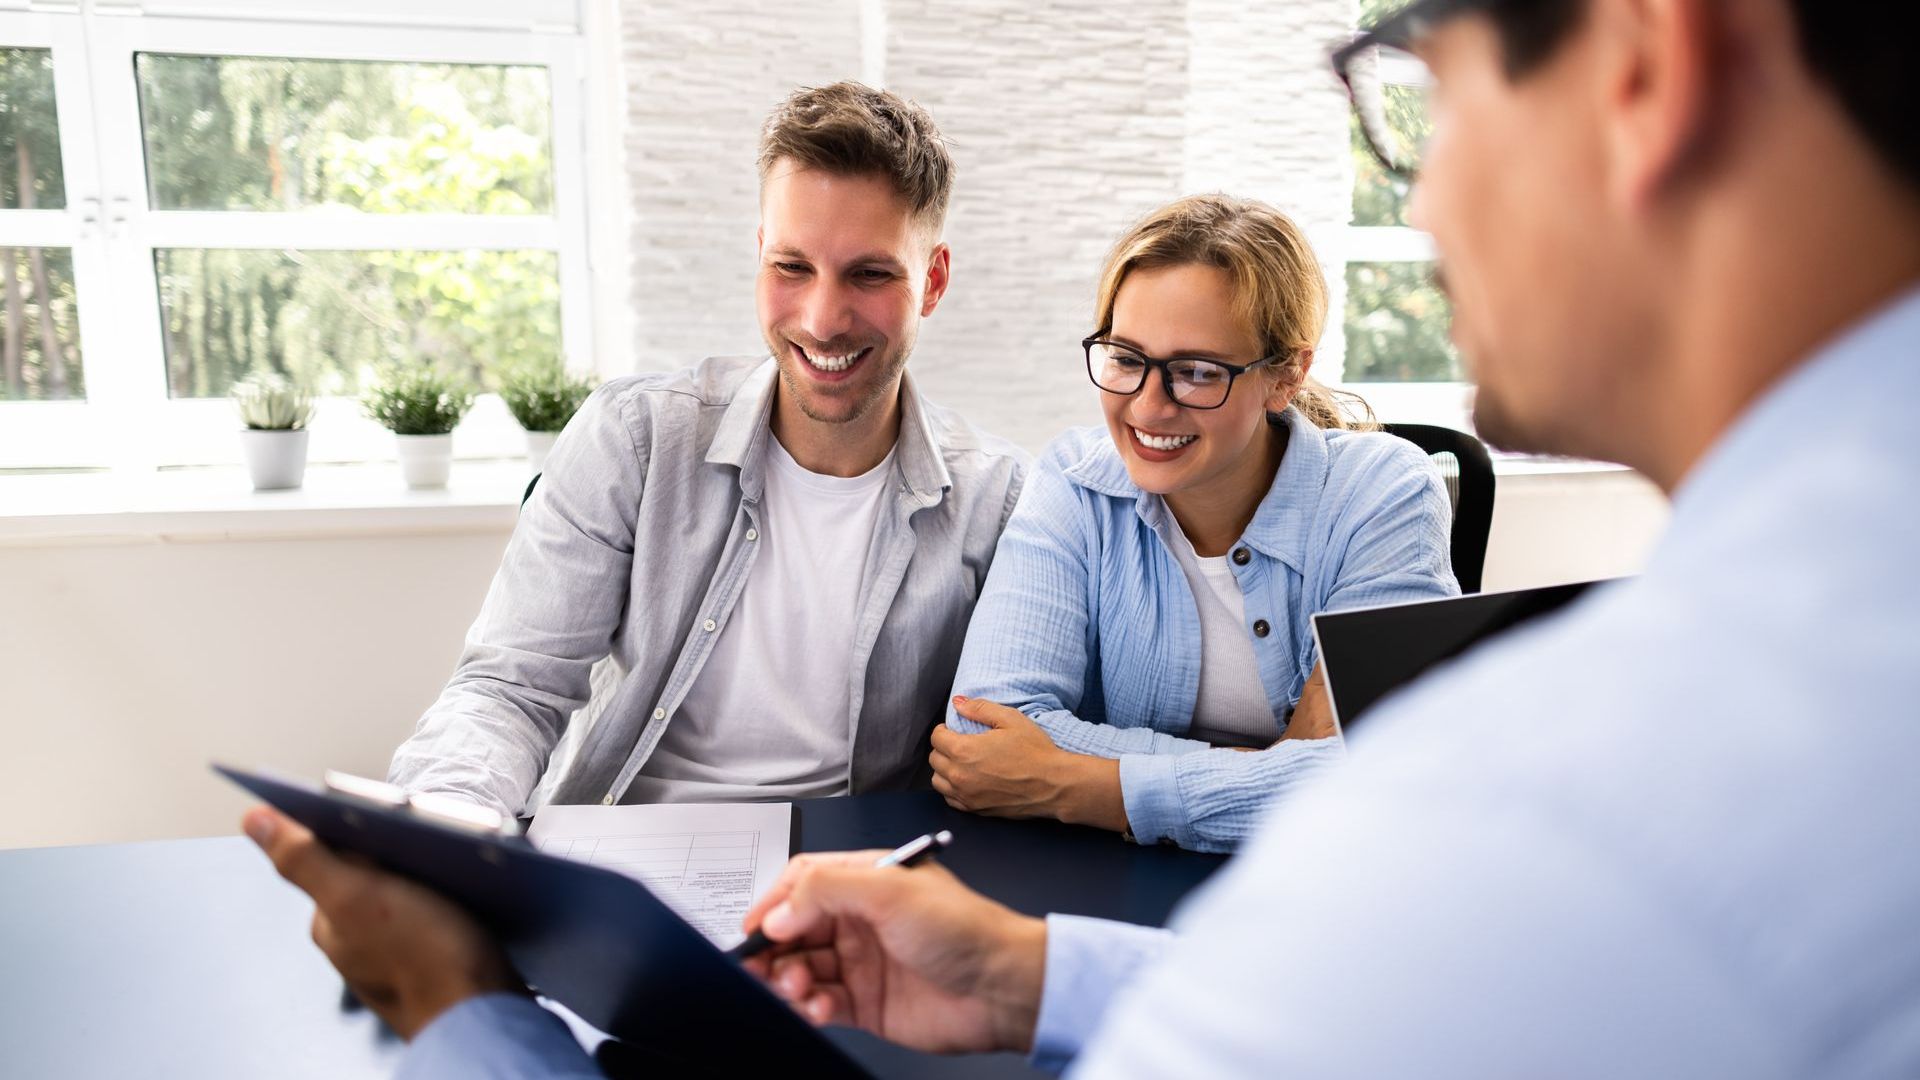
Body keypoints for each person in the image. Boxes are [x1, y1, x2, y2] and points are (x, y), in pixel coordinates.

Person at [243, 0, 1920, 1074]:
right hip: (676, 898)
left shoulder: (1530, 807)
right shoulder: (667, 440)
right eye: (1125, 361)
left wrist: (454, 1009)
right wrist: (1042, 975)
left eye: (1422, 90)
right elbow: (539, 690)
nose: (1417, 195)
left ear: (1649, 64)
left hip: (841, 921)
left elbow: (1121, 792)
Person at [385, 82, 1027, 816]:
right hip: (622, 852)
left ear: (932, 281)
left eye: (870, 274)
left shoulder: (997, 500)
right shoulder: (634, 439)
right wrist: (447, 818)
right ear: (760, 256)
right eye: (793, 267)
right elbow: (512, 688)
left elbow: (1010, 746)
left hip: (849, 887)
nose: (823, 319)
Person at [932, 195, 1457, 852]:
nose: (1150, 407)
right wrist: (1274, 773)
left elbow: (1388, 777)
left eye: (1197, 372)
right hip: (1117, 884)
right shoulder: (1075, 480)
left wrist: (1083, 784)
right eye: (1126, 358)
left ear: (1285, 376)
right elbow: (984, 734)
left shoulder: (1383, 492)